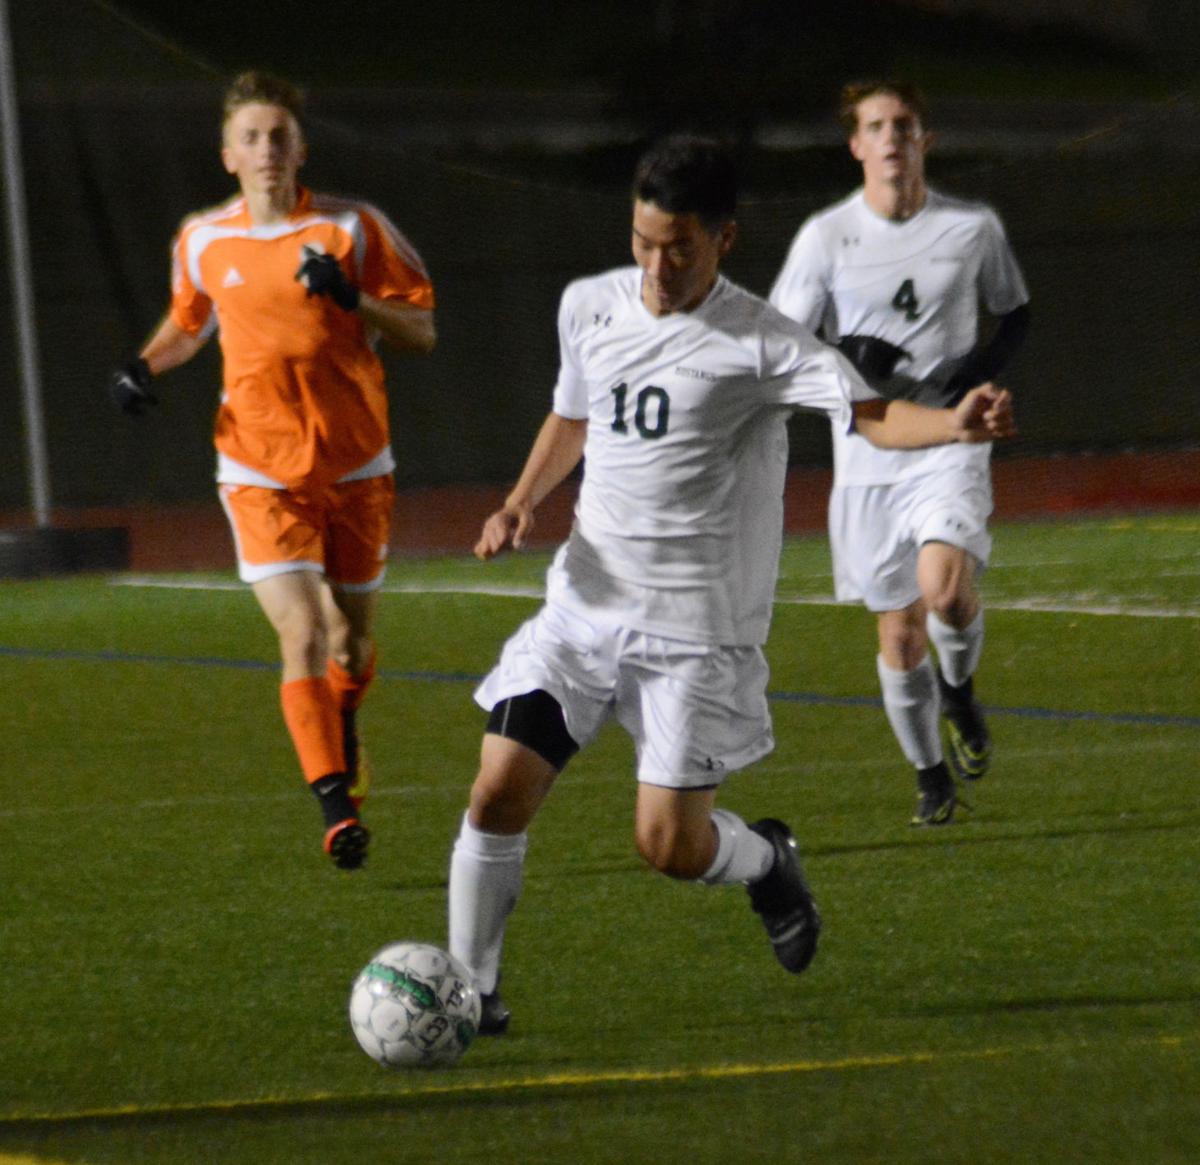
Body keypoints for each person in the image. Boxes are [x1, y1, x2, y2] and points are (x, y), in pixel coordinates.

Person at [446, 134, 1016, 1035]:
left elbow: (869, 414)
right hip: (583, 607)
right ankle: (470, 994)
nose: (656, 265)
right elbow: (573, 413)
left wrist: (952, 422)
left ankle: (767, 865)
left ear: (724, 238)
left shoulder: (760, 341)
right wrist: (519, 502)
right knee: (497, 788)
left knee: (670, 847)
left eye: (679, 246)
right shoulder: (587, 305)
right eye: (642, 241)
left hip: (695, 635)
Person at [107, 71, 436, 869]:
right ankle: (335, 808)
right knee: (304, 630)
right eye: (251, 138)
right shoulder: (203, 239)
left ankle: (343, 714)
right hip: (257, 468)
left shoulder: (352, 229)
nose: (266, 151)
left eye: (279, 136)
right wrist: (144, 367)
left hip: (356, 465)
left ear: (301, 149)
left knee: (351, 645)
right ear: (228, 155)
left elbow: (422, 328)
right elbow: (190, 324)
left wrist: (353, 299)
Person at [769, 80, 1030, 827]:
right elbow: (786, 342)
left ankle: (960, 692)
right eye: (876, 126)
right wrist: (849, 353)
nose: (891, 138)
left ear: (925, 139)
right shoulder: (825, 237)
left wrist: (974, 375)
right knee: (898, 630)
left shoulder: (972, 228)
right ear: (856, 144)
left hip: (950, 437)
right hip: (870, 450)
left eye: (904, 125)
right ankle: (930, 775)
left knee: (944, 592)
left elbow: (1015, 315)